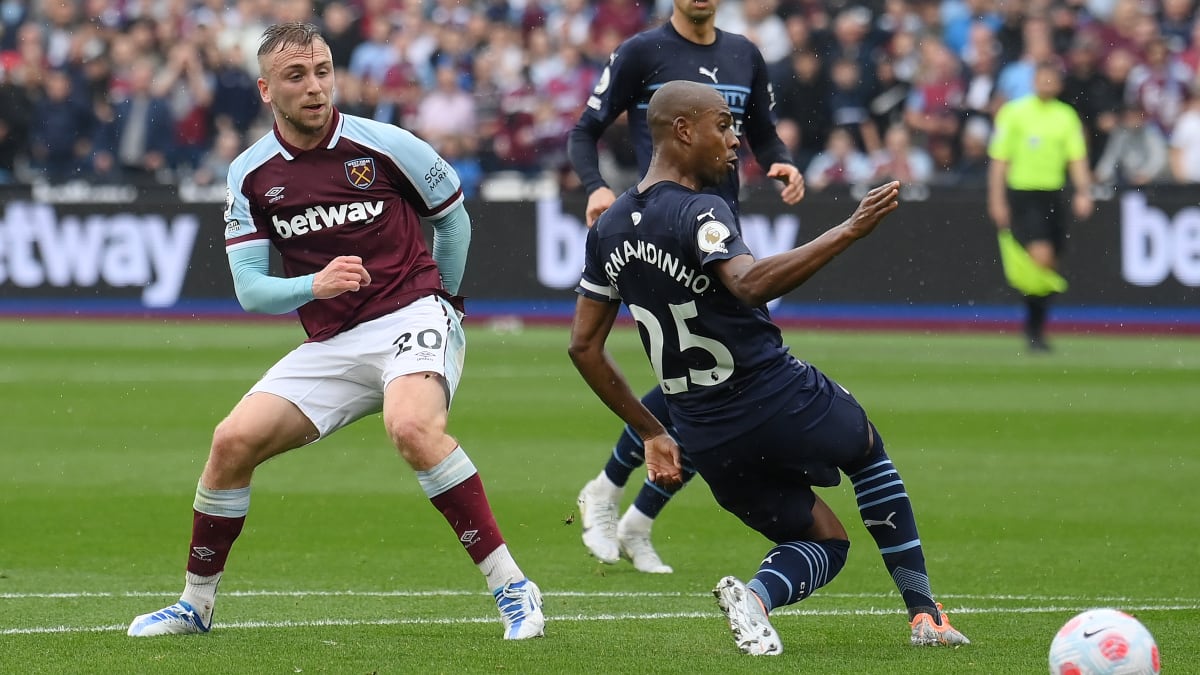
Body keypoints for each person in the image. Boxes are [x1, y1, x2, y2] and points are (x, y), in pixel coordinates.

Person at [126, 22, 544, 641]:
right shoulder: (250, 174)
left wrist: (448, 307)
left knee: (411, 427)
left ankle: (513, 587)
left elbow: (454, 225)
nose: (315, 86)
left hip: (411, 313)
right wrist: (312, 287)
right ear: (267, 89)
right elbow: (250, 290)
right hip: (333, 339)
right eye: (297, 76)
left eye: (322, 71)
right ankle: (195, 604)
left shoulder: (387, 144)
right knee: (230, 443)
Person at [568, 80, 970, 655]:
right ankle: (925, 614)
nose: (734, 142)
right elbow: (750, 283)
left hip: (704, 432)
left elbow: (583, 347)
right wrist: (849, 230)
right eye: (723, 127)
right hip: (776, 395)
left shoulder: (606, 230)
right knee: (866, 451)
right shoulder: (702, 209)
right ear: (683, 130)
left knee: (824, 540)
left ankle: (754, 601)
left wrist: (653, 431)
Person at [566, 0, 806, 574]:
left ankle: (632, 512)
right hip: (661, 230)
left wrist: (782, 162)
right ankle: (612, 493)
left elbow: (763, 135)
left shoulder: (745, 53)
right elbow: (585, 131)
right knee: (707, 382)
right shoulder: (641, 51)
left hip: (722, 233)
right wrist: (597, 187)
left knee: (715, 380)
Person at [987, 60, 1093, 353]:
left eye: (1052, 79)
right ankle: (1033, 331)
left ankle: (1037, 327)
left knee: (1051, 263)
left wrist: (1084, 191)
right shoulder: (1014, 112)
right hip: (1024, 193)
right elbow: (999, 160)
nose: (1046, 84)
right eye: (1042, 78)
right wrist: (996, 199)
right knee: (1041, 258)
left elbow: (1077, 158)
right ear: (1034, 81)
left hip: (1054, 194)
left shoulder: (1066, 115)